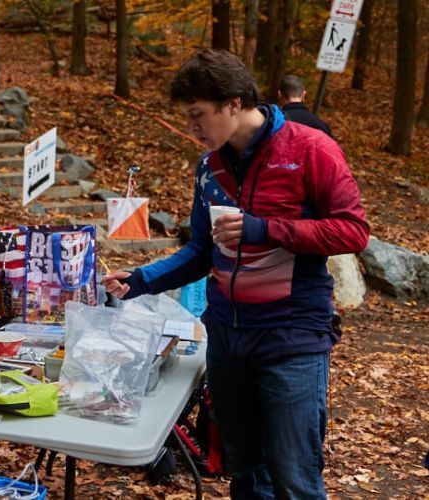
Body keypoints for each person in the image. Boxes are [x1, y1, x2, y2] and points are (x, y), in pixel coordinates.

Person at [103, 49, 369, 499]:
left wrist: (265, 229)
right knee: (243, 469)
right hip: (226, 337)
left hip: (291, 336)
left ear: (233, 103)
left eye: (197, 115)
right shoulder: (210, 166)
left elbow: (353, 230)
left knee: (293, 475)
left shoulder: (310, 149)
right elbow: (201, 252)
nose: (191, 126)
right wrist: (142, 280)